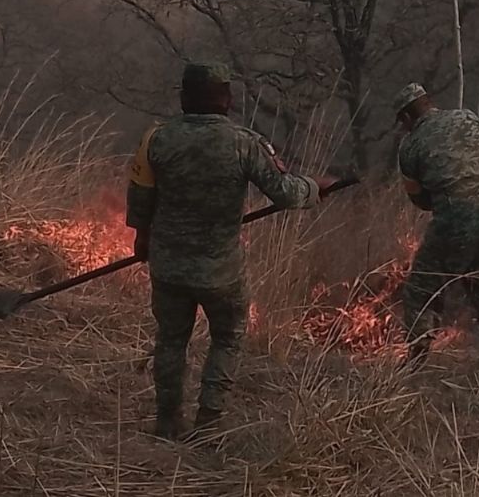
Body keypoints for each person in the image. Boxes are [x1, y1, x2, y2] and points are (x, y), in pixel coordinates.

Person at [126, 62, 334, 440]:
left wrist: (143, 241)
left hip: (169, 266)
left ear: (184, 98)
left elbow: (140, 196)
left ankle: (168, 420)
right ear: (226, 98)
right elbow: (286, 194)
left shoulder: (157, 138)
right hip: (221, 271)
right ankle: (208, 420)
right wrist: (313, 186)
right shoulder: (245, 143)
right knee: (227, 335)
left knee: (171, 339)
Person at [394, 83, 479, 364]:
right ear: (429, 102)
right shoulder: (467, 117)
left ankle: (417, 355)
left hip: (456, 222)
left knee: (420, 287)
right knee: (478, 277)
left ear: (405, 118)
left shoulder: (410, 146)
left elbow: (420, 201)